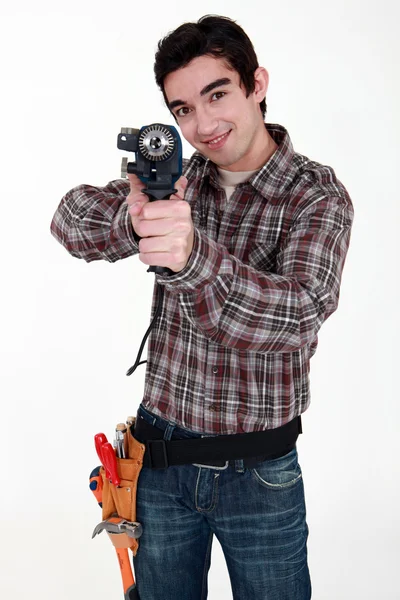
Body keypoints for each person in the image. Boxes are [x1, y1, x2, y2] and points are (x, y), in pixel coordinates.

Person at [51, 14, 353, 600]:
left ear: (256, 84)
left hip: (260, 472)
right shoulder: (177, 179)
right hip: (157, 463)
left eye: (217, 95)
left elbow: (299, 314)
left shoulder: (315, 195)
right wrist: (134, 218)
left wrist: (192, 256)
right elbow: (68, 219)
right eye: (183, 109)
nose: (204, 124)